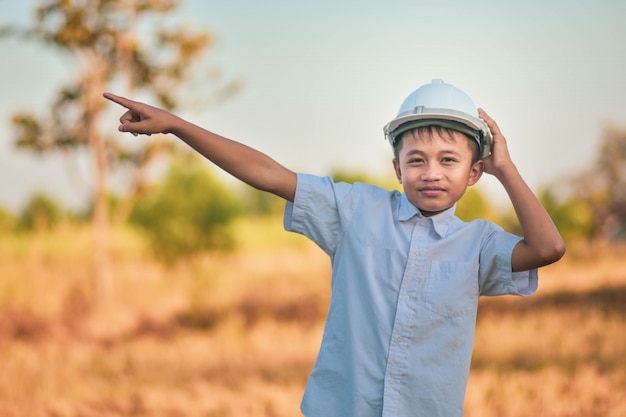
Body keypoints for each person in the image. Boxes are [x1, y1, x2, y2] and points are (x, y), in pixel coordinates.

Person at [103, 78, 565, 417]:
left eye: (449, 161)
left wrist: (507, 168)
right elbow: (267, 173)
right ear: (397, 168)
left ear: (474, 172)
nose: (431, 173)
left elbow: (548, 247)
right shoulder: (354, 210)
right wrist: (176, 125)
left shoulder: (478, 244)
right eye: (416, 160)